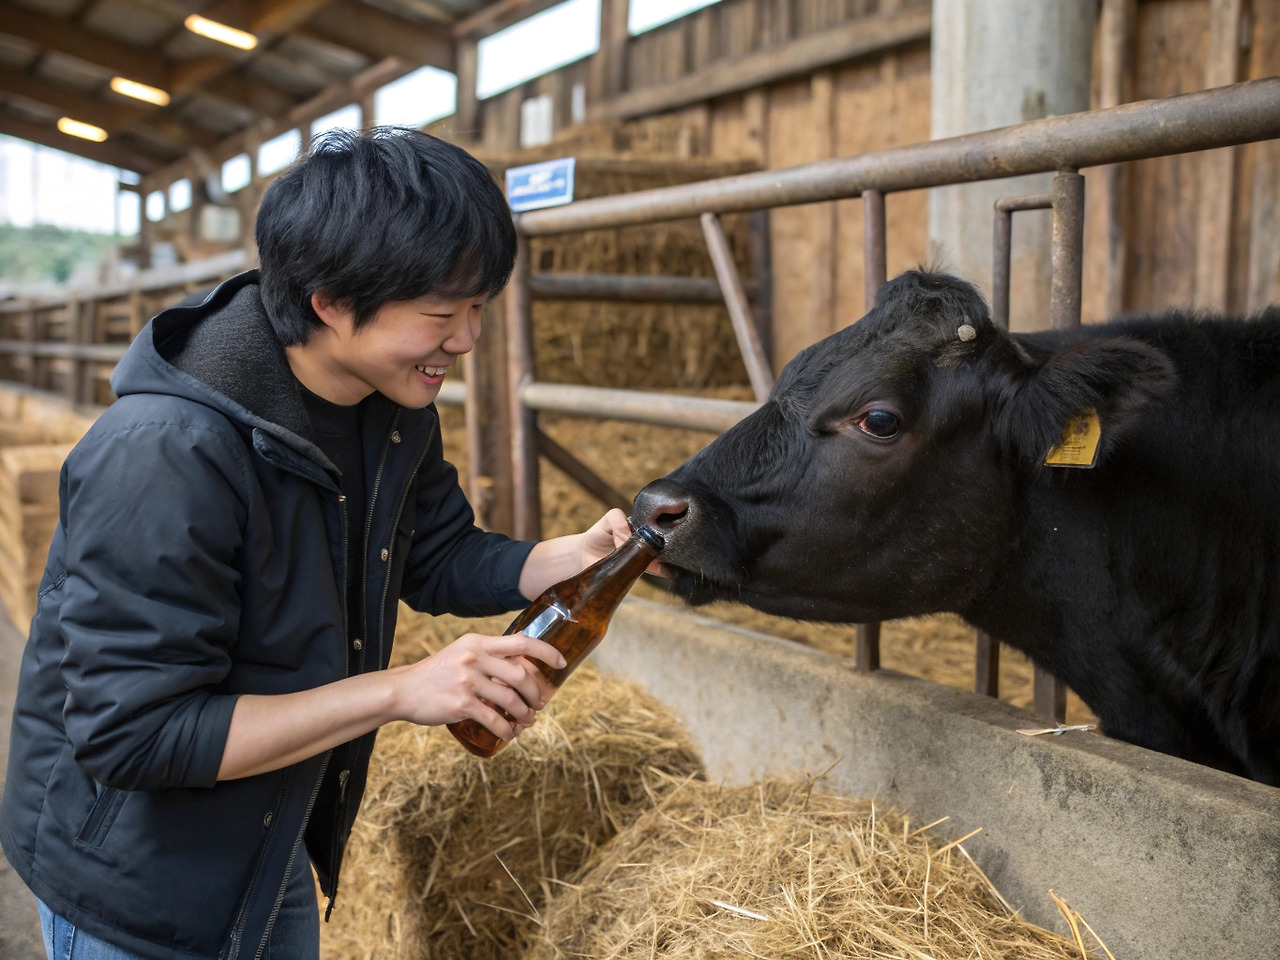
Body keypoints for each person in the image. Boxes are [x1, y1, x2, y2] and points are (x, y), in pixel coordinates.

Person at [0, 127, 634, 960]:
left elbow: (434, 554)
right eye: (443, 314)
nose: (468, 340)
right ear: (329, 302)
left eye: (479, 308)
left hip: (270, 840)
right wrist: (400, 690)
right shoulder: (167, 452)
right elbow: (136, 735)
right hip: (141, 882)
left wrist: (557, 559)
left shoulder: (391, 410)